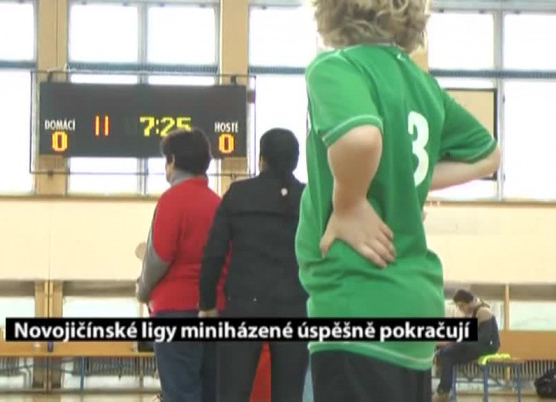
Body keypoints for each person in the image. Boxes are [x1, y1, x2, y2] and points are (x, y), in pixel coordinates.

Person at [296, 1, 501, 401]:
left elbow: (361, 138)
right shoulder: (422, 85)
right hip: (414, 307)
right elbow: (488, 155)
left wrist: (350, 203)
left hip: (356, 300)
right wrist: (410, 183)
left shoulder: (336, 67)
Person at [200, 128, 308, 402]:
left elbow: (214, 252)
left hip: (244, 303)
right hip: (295, 304)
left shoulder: (238, 194)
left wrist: (207, 303)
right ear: (296, 160)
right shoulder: (308, 199)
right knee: (289, 393)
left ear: (262, 159)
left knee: (233, 392)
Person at [136, 128, 227, 402]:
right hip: (215, 309)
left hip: (174, 311)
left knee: (180, 392)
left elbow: (159, 256)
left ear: (173, 160)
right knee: (211, 391)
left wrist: (142, 289)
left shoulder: (172, 200)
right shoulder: (219, 204)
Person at [433, 290, 500, 401]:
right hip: (477, 345)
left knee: (447, 353)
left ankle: (444, 390)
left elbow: (484, 338)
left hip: (488, 346)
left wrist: (458, 343)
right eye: (459, 307)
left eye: (462, 306)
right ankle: (444, 390)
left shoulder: (483, 311)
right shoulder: (473, 312)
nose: (461, 309)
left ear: (471, 302)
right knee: (446, 352)